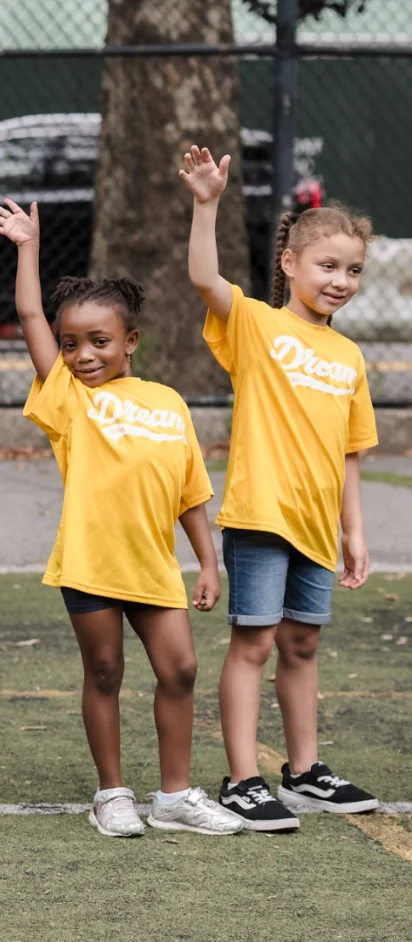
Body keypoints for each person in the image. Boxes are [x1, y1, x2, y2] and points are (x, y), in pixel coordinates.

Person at [0, 199, 245, 838]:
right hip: (91, 562)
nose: (82, 355)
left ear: (131, 341)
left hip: (154, 566)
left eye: (99, 342)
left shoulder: (167, 402)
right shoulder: (69, 399)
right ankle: (112, 793)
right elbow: (28, 315)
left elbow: (190, 491)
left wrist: (208, 561)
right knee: (104, 672)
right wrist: (27, 249)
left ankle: (176, 796)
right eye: (71, 344)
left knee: (180, 669)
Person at [180, 146, 382, 832]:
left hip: (317, 526)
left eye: (353, 269)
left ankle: (304, 771)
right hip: (262, 515)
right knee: (255, 644)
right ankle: (242, 779)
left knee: (302, 646)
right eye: (328, 266)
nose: (341, 280)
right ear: (290, 265)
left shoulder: (350, 357)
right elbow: (204, 276)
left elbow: (352, 454)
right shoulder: (257, 327)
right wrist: (207, 202)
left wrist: (354, 530)